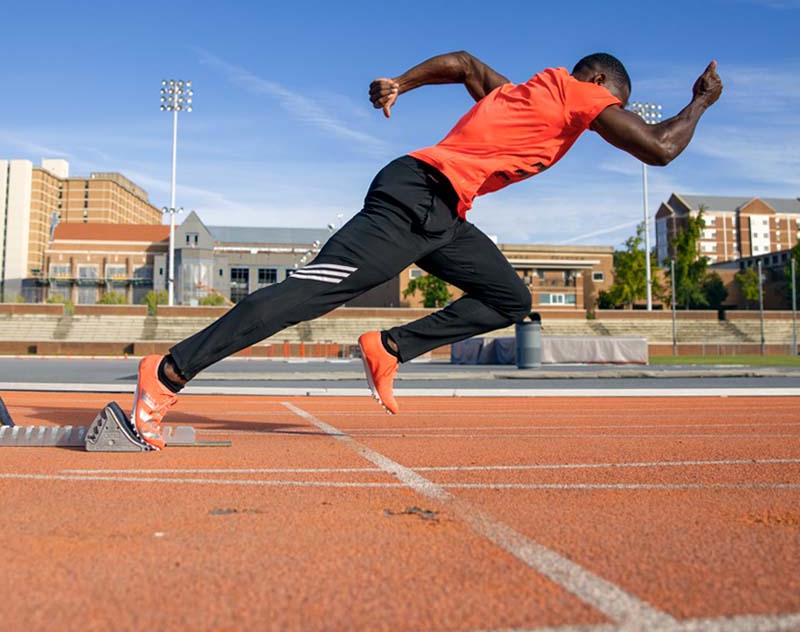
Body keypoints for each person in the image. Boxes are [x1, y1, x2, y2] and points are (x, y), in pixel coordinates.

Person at [132, 51, 723, 448]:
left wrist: (402, 84)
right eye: (612, 105)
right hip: (414, 195)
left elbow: (466, 64)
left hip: (444, 215)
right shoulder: (577, 94)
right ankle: (167, 372)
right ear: (600, 89)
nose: (607, 116)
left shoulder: (525, 94)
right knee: (308, 295)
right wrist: (699, 102)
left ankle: (389, 347)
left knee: (508, 299)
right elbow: (661, 148)